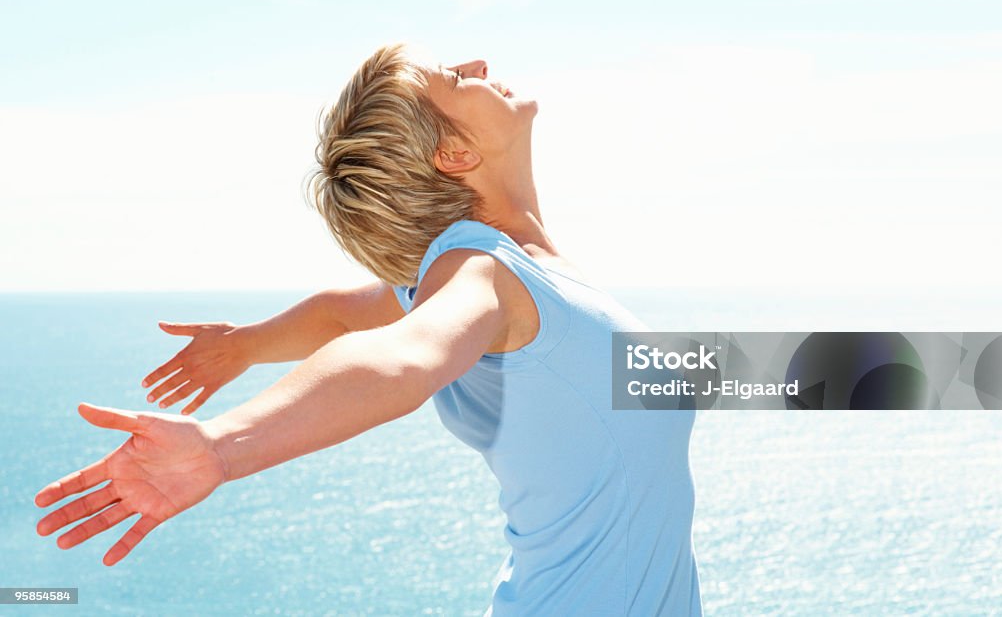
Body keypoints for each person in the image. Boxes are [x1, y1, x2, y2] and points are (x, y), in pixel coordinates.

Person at [33, 43, 703, 616]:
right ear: (456, 151)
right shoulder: (482, 271)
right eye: (452, 77)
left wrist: (244, 346)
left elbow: (341, 313)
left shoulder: (515, 273)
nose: (477, 64)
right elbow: (400, 359)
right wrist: (220, 446)